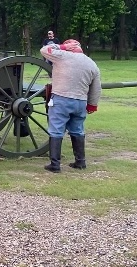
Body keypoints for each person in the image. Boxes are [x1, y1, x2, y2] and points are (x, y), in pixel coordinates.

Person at [40, 39, 101, 173]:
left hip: (61, 99)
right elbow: (96, 88)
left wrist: (61, 46)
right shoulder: (91, 63)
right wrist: (92, 105)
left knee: (56, 130)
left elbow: (44, 50)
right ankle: (80, 162)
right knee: (77, 130)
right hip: (80, 102)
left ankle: (55, 165)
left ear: (68, 48)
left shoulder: (62, 55)